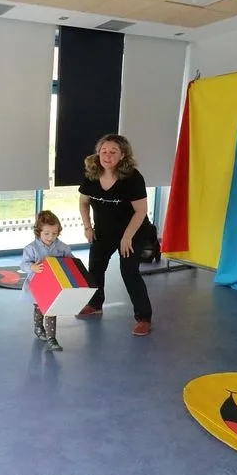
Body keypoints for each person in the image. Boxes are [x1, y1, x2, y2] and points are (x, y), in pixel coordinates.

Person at [78, 134, 154, 336]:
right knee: (95, 268)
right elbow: (83, 202)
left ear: (122, 155)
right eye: (103, 151)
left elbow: (141, 211)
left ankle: (144, 318)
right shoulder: (92, 174)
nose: (107, 156)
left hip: (133, 232)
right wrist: (88, 227)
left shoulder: (133, 178)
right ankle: (95, 304)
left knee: (129, 272)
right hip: (104, 232)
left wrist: (127, 237)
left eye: (113, 152)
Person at [21, 210, 73, 352]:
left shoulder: (62, 247)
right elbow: (23, 264)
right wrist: (32, 267)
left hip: (54, 286)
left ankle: (51, 339)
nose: (51, 237)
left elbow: (71, 260)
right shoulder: (31, 248)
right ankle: (38, 327)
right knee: (39, 308)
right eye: (46, 234)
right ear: (38, 232)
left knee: (51, 309)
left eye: (54, 234)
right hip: (38, 286)